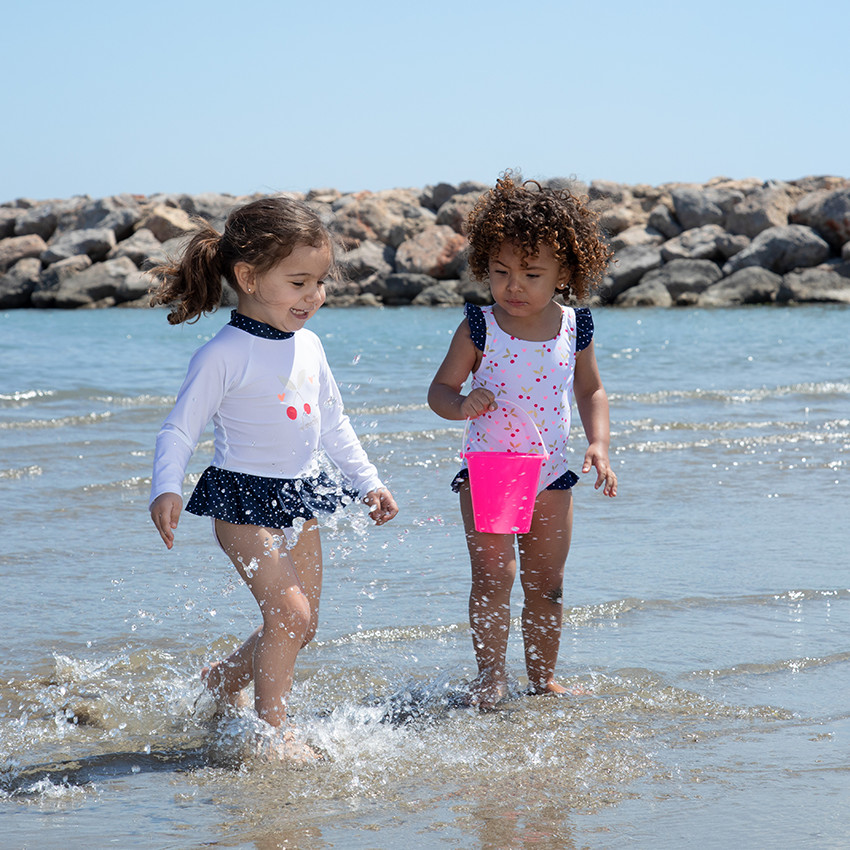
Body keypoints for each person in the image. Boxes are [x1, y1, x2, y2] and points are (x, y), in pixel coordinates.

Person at [148, 196, 398, 745]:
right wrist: (166, 487)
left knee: (300, 624)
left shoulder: (310, 345)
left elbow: (335, 425)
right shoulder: (223, 354)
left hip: (301, 497)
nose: (315, 297)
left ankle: (221, 681)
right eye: (299, 283)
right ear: (249, 277)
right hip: (241, 501)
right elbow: (179, 429)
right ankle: (273, 732)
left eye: (320, 282)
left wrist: (370, 482)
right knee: (288, 612)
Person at [428, 173, 617, 710]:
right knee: (494, 578)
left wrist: (598, 444)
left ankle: (543, 678)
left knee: (547, 583)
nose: (514, 285)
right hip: (491, 468)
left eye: (532, 273)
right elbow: (439, 390)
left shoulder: (575, 327)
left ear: (565, 273)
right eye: (501, 271)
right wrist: (460, 404)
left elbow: (592, 389)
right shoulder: (479, 327)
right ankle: (490, 676)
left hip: (552, 471)